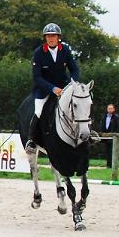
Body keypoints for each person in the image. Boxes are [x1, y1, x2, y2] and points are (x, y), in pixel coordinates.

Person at [23, 23, 81, 152]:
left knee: (78, 106)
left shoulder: (65, 50)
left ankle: (82, 136)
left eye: (53, 36)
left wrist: (72, 84)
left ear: (58, 37)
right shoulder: (39, 52)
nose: (51, 38)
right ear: (45, 38)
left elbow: (75, 70)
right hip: (44, 89)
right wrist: (52, 88)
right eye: (48, 36)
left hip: (64, 88)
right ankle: (31, 140)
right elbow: (37, 77)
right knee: (38, 111)